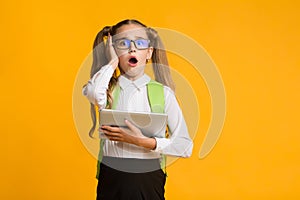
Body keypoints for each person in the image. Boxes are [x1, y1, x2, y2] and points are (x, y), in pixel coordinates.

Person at [82, 19, 193, 200]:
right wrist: (111, 63)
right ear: (113, 49)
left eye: (140, 43)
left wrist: (142, 141)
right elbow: (93, 93)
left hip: (148, 179)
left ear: (149, 52)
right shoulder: (107, 91)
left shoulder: (163, 94)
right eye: (123, 43)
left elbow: (185, 146)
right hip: (112, 177)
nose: (132, 49)